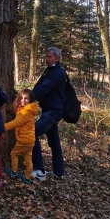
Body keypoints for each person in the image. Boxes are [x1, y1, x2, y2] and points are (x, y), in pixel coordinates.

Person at [31, 47, 66, 181]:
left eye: (50, 57)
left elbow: (44, 88)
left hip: (54, 111)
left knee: (32, 132)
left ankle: (39, 170)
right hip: (48, 109)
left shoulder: (59, 73)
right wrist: (31, 94)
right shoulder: (49, 70)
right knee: (54, 141)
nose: (47, 59)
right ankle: (58, 172)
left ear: (57, 58)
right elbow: (38, 86)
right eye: (46, 56)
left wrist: (28, 96)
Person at [4, 88, 38, 183]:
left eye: (26, 98)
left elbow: (16, 123)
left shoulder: (25, 112)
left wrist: (2, 127)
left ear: (30, 100)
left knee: (14, 154)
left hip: (23, 141)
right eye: (21, 98)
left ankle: (14, 172)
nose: (23, 100)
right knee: (28, 159)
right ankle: (27, 177)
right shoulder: (28, 110)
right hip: (30, 141)